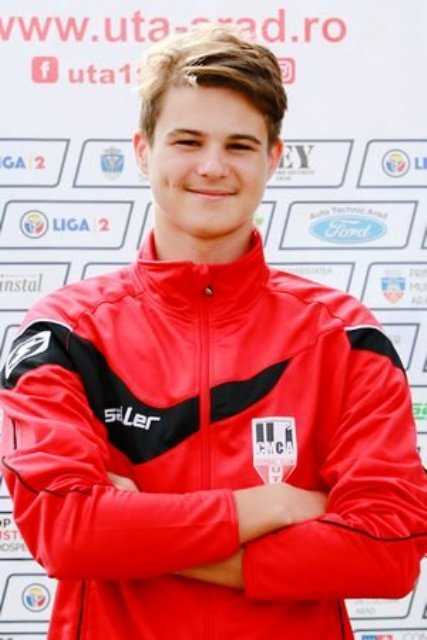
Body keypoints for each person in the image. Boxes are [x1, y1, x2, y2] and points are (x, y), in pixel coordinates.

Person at [0, 27, 426, 640]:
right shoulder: (65, 333)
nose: (212, 166)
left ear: (273, 158)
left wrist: (133, 533)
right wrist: (271, 506)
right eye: (188, 140)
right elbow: (67, 533)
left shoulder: (344, 337)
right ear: (143, 150)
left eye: (240, 145)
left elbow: (388, 552)